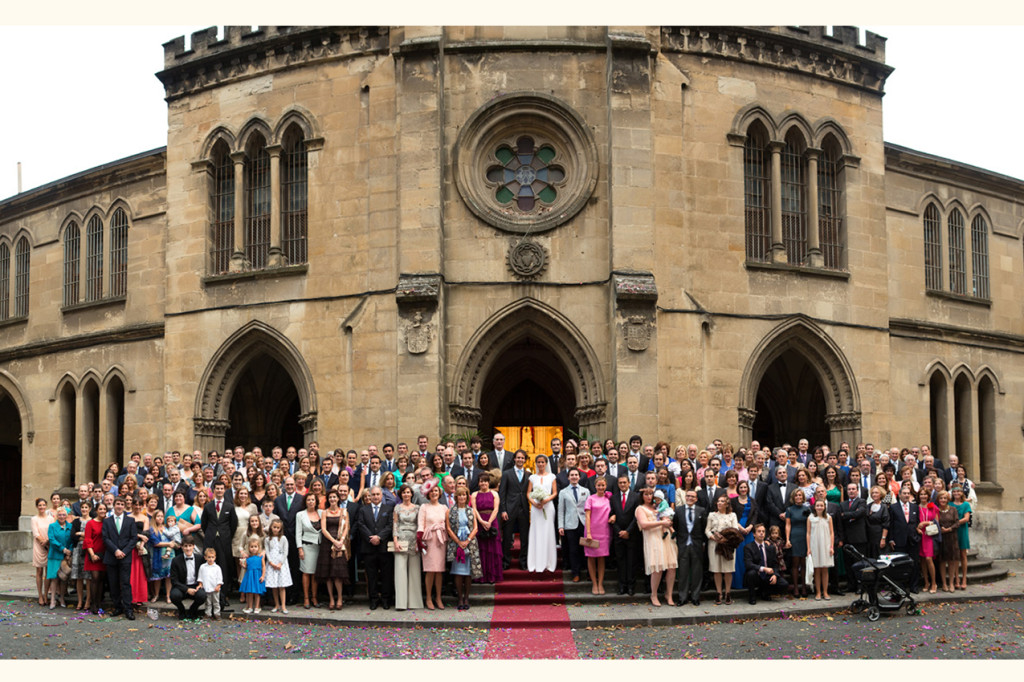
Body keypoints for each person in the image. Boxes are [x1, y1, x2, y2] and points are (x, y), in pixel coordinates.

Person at [636, 487, 677, 606]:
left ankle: (668, 595)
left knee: (672, 567)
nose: (649, 497)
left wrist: (668, 521)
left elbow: (667, 515)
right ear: (642, 496)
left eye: (651, 494)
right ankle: (653, 595)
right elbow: (643, 524)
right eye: (646, 494)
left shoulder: (658, 506)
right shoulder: (640, 509)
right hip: (653, 539)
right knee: (657, 568)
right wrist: (662, 523)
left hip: (666, 537)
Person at [358, 486, 395, 610]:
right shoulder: (363, 509)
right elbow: (361, 525)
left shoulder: (388, 509)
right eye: (373, 494)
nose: (375, 497)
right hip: (369, 548)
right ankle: (373, 599)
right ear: (369, 495)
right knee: (371, 575)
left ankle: (386, 599)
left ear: (382, 495)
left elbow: (390, 525)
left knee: (386, 575)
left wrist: (379, 537)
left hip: (384, 547)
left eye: (378, 494)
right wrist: (371, 537)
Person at [102, 497, 138, 619]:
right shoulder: (107, 521)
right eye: (117, 504)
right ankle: (118, 607)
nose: (119, 506)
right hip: (111, 556)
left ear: (124, 506)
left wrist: (124, 551)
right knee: (113, 584)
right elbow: (105, 538)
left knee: (126, 583)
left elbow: (133, 538)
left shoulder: (130, 521)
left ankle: (128, 609)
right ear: (114, 505)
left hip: (125, 557)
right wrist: (116, 550)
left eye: (122, 504)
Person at [446, 485, 482, 610]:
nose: (462, 497)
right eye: (460, 495)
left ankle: (466, 597)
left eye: (464, 495)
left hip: (469, 543)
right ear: (456, 497)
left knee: (468, 573)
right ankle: (460, 598)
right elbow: (449, 528)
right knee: (458, 572)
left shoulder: (471, 511)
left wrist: (467, 541)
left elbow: (476, 528)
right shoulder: (450, 511)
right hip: (456, 544)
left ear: (467, 497)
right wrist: (458, 542)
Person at [202, 481, 236, 609]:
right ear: (213, 490)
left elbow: (233, 525)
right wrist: (211, 534)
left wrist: (226, 536)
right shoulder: (208, 506)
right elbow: (204, 524)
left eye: (222, 489)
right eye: (217, 489)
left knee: (223, 569)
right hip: (211, 540)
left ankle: (223, 597)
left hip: (224, 541)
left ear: (224, 490)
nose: (220, 491)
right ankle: (208, 597)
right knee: (208, 568)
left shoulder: (229, 506)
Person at [498, 450, 531, 570]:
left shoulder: (528, 475)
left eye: (522, 458)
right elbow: (502, 493)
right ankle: (506, 561)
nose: (520, 460)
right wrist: (503, 510)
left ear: (525, 460)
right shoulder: (506, 474)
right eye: (518, 458)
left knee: (524, 537)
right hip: (509, 509)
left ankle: (523, 562)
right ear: (514, 459)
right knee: (507, 537)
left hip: (524, 509)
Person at [392, 484, 424, 610]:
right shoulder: (397, 508)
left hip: (414, 540)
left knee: (415, 571)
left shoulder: (417, 508)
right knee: (400, 571)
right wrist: (395, 540)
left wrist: (418, 541)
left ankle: (415, 602)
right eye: (404, 492)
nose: (406, 494)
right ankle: (401, 603)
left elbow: (419, 525)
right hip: (401, 539)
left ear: (412, 494)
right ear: (401, 495)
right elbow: (395, 524)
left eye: (408, 492)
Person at [317, 490, 350, 610]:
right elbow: (324, 529)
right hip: (327, 544)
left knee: (338, 574)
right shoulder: (324, 512)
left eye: (334, 497)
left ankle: (340, 598)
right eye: (330, 497)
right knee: (328, 575)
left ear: (338, 499)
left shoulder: (344, 512)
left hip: (340, 544)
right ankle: (331, 599)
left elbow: (346, 527)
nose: (332, 499)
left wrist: (340, 540)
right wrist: (333, 541)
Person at [673, 488, 706, 606]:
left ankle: (695, 597)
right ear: (685, 497)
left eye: (692, 496)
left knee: (697, 572)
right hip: (683, 544)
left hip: (697, 545)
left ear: (696, 499)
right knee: (683, 572)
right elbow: (676, 526)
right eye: (688, 496)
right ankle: (682, 597)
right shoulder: (678, 510)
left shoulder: (701, 511)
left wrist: (703, 543)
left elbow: (704, 528)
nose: (690, 498)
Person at [706, 493, 741, 605]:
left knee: (728, 570)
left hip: (728, 545)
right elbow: (707, 530)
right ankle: (718, 593)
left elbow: (735, 530)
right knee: (717, 570)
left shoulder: (732, 515)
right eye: (718, 501)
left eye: (722, 501)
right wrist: (714, 537)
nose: (719, 503)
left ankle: (728, 593)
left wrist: (726, 539)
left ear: (727, 504)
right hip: (714, 544)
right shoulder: (711, 515)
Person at [418, 482, 448, 609]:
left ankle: (438, 597)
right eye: (431, 491)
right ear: (428, 494)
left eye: (436, 491)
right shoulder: (424, 507)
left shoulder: (444, 508)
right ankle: (429, 598)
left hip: (441, 540)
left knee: (439, 570)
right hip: (429, 540)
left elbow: (448, 525)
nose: (434, 493)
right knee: (430, 570)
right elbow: (420, 524)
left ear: (439, 493)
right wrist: (419, 539)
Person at [743, 524, 790, 604]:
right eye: (759, 531)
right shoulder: (748, 547)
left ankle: (765, 592)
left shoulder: (770, 547)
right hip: (756, 575)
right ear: (754, 534)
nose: (761, 533)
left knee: (784, 584)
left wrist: (775, 574)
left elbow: (775, 564)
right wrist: (763, 568)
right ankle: (752, 596)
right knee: (751, 573)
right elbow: (748, 564)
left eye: (763, 532)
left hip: (767, 576)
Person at [526, 454, 558, 573]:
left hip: (548, 507)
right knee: (536, 532)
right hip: (536, 509)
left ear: (546, 463)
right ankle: (535, 562)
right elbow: (528, 493)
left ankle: (548, 562)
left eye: (542, 462)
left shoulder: (552, 476)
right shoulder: (532, 478)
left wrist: (547, 500)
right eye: (538, 462)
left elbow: (554, 492)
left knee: (548, 531)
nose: (540, 464)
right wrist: (534, 503)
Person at [557, 467, 589, 582]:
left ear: (579, 477)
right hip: (570, 524)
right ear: (568, 477)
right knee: (573, 549)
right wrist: (561, 526)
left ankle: (587, 571)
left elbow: (589, 509)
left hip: (583, 523)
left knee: (585, 548)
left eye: (576, 475)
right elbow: (561, 510)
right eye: (572, 475)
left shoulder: (586, 491)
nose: (574, 477)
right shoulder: (563, 492)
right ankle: (575, 573)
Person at [888, 484, 921, 593]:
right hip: (899, 540)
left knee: (914, 564)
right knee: (900, 564)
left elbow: (918, 523)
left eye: (908, 493)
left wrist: (918, 536)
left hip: (913, 540)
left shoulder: (915, 507)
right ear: (899, 495)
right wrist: (891, 539)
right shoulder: (893, 507)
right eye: (904, 493)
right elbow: (891, 524)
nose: (906, 495)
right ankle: (900, 587)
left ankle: (914, 586)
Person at [470, 471, 502, 583]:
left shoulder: (494, 494)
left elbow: (496, 509)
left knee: (492, 549)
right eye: (481, 481)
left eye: (486, 481)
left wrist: (489, 522)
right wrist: (482, 521)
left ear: (489, 482)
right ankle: (481, 577)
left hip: (492, 521)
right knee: (481, 549)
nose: (483, 483)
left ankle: (493, 576)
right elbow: (474, 509)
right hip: (479, 521)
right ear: (478, 483)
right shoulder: (474, 495)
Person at [610, 475, 640, 596]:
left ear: (629, 483)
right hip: (618, 535)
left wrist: (628, 531)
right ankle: (622, 586)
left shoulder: (636, 497)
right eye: (620, 483)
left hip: (632, 534)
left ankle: (631, 586)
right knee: (621, 561)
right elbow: (612, 516)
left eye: (624, 482)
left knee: (631, 562)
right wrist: (619, 532)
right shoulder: (613, 498)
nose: (622, 485)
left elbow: (636, 516)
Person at [584, 476, 612, 595]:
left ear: (606, 486)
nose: (601, 487)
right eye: (599, 485)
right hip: (592, 530)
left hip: (605, 531)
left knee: (602, 557)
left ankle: (600, 583)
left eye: (603, 485)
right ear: (595, 486)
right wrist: (589, 533)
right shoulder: (590, 498)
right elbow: (587, 516)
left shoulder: (608, 498)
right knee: (591, 557)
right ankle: (594, 584)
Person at [295, 492, 322, 608]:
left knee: (315, 574)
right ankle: (306, 598)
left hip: (319, 547)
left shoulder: (322, 513)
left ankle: (314, 597)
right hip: (306, 546)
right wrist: (300, 548)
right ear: (305, 502)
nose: (311, 502)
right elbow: (298, 533)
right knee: (306, 572)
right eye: (308, 500)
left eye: (313, 499)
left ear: (316, 501)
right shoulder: (300, 515)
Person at [169, 535, 206, 620]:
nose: (188, 548)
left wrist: (201, 584)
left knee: (202, 595)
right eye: (185, 546)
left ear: (193, 546)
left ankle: (193, 610)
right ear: (182, 547)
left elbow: (205, 573)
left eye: (190, 546)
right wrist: (186, 589)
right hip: (182, 586)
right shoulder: (176, 560)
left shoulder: (200, 558)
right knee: (174, 595)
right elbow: (174, 580)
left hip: (196, 586)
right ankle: (181, 610)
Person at [806, 498, 835, 600]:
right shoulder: (810, 518)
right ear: (814, 507)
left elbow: (832, 533)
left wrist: (831, 546)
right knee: (817, 569)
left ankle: (825, 592)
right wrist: (809, 548)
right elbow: (808, 533)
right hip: (815, 545)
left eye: (821, 505)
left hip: (826, 545)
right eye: (817, 505)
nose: (819, 507)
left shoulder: (828, 518)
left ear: (824, 507)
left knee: (825, 569)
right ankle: (818, 592)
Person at [785, 489, 811, 597]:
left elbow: (810, 525)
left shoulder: (807, 509)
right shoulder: (789, 509)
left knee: (804, 563)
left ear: (803, 496)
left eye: (800, 495)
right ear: (793, 497)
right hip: (794, 536)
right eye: (796, 495)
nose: (798, 497)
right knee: (795, 563)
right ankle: (796, 588)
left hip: (805, 536)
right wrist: (787, 539)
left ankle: (804, 587)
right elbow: (788, 525)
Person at [730, 480, 756, 591]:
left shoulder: (753, 501)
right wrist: (740, 527)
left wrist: (750, 527)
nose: (743, 489)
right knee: (738, 558)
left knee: (749, 557)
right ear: (738, 489)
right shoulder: (733, 501)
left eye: (745, 487)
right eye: (741, 487)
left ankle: (749, 583)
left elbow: (755, 515)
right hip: (738, 532)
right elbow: (731, 515)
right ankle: (738, 583)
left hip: (749, 532)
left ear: (748, 488)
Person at [83, 501, 107, 614]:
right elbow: (88, 540)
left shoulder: (107, 523)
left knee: (102, 580)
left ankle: (99, 603)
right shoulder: (90, 523)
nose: (102, 511)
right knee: (95, 579)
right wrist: (92, 554)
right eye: (100, 509)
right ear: (96, 510)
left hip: (104, 555)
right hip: (94, 554)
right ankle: (93, 604)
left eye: (104, 509)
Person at [265, 519, 294, 613]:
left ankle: (283, 606)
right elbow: (267, 551)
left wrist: (280, 563)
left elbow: (286, 552)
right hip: (272, 563)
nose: (276, 529)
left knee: (282, 586)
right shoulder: (267, 539)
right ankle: (276, 605)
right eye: (274, 527)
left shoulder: (283, 538)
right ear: (271, 527)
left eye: (278, 528)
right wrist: (271, 562)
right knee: (274, 586)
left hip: (281, 564)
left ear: (280, 528)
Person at [46, 507, 72, 609]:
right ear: (57, 516)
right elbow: (52, 539)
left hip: (65, 556)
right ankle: (52, 599)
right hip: (55, 555)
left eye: (64, 515)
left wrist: (69, 551)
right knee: (54, 578)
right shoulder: (52, 526)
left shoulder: (70, 526)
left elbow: (72, 540)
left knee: (63, 578)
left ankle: (61, 598)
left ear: (66, 516)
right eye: (60, 515)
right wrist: (63, 549)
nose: (62, 517)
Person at [935, 490, 961, 593]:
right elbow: (934, 522)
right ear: (938, 499)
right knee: (942, 561)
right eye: (941, 498)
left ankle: (951, 583)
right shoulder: (936, 510)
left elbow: (957, 522)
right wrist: (940, 528)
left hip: (952, 538)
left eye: (945, 498)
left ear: (948, 499)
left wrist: (949, 529)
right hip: (941, 538)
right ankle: (944, 583)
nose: (943, 500)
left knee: (951, 561)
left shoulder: (953, 509)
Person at [128, 495, 151, 609]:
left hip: (140, 548)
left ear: (143, 506)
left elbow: (146, 534)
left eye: (139, 504)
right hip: (130, 547)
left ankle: (140, 597)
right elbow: (126, 533)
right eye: (135, 504)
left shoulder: (145, 518)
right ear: (132, 505)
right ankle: (131, 597)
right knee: (131, 573)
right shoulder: (127, 517)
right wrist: (138, 535)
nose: (137, 506)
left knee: (140, 573)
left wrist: (141, 545)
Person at [148, 509, 175, 603]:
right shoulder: (151, 529)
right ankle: (156, 595)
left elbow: (174, 538)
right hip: (157, 555)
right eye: (158, 516)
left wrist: (173, 544)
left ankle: (168, 596)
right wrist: (169, 544)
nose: (160, 518)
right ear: (154, 518)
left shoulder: (167, 528)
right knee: (157, 577)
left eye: (162, 516)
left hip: (169, 555)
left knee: (168, 576)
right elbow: (155, 543)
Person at [916, 487, 940, 593]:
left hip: (930, 535)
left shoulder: (932, 506)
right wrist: (917, 528)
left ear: (928, 496)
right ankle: (926, 582)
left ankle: (934, 583)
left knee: (928, 559)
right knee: (922, 560)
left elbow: (937, 522)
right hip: (921, 535)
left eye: (925, 494)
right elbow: (914, 523)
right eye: (921, 494)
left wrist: (925, 523)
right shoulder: (916, 508)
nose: (923, 496)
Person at [68, 500, 91, 609]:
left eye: (86, 507)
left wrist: (81, 534)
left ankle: (88, 600)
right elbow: (72, 535)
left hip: (89, 550)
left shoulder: (92, 521)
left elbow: (92, 537)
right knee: (79, 577)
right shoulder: (76, 521)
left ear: (89, 509)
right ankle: (80, 600)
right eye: (82, 507)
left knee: (88, 577)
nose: (84, 509)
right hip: (78, 549)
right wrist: (84, 536)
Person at [950, 484, 972, 590]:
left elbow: (966, 518)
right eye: (954, 491)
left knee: (963, 555)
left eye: (958, 491)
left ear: (962, 492)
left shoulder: (966, 504)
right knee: (954, 556)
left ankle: (964, 579)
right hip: (952, 532)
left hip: (962, 531)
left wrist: (955, 523)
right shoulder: (949, 503)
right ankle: (956, 579)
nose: (956, 493)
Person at [31, 498, 52, 606]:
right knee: (39, 571)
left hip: (49, 546)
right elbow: (35, 533)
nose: (42, 507)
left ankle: (46, 595)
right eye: (40, 505)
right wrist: (42, 541)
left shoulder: (50, 518)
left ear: (46, 506)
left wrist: (47, 541)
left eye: (44, 505)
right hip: (38, 546)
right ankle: (40, 595)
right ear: (37, 506)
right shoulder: (34, 519)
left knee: (48, 572)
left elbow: (52, 531)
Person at [239, 538, 266, 614]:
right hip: (250, 576)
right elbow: (246, 567)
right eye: (252, 547)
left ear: (258, 547)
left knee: (257, 592)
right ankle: (250, 607)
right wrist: (242, 564)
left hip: (257, 576)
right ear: (249, 548)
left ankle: (257, 607)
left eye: (255, 546)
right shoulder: (248, 558)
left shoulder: (261, 557)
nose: (254, 548)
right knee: (249, 592)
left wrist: (263, 576)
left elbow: (263, 567)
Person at [865, 485, 891, 559]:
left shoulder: (884, 507)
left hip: (879, 535)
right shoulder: (868, 506)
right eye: (872, 493)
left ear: (881, 494)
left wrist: (883, 539)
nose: (874, 494)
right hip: (870, 536)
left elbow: (886, 524)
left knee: (881, 558)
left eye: (876, 493)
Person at [198, 547, 224, 620]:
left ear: (215, 557)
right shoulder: (202, 567)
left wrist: (218, 585)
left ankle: (217, 614)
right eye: (209, 557)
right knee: (208, 602)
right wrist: (200, 584)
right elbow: (200, 577)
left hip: (215, 588)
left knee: (216, 602)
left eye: (212, 557)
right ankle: (208, 614)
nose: (210, 559)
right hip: (207, 587)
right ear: (205, 557)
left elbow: (220, 578)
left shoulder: (217, 568)